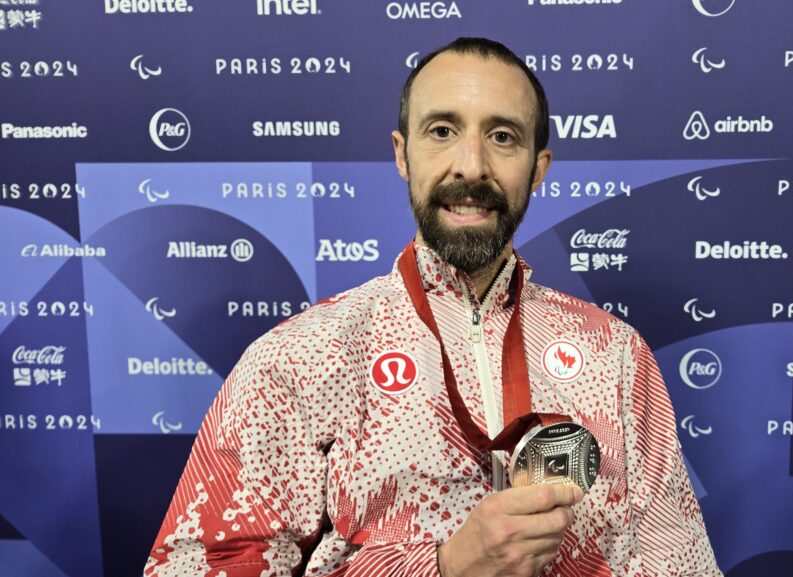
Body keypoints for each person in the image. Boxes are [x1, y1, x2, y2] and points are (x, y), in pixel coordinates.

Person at [145, 37, 722, 577]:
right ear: (403, 154)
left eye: (503, 136)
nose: (471, 166)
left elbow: (680, 566)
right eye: (443, 130)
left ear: (538, 168)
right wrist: (439, 566)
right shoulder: (299, 358)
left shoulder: (615, 354)